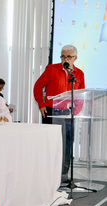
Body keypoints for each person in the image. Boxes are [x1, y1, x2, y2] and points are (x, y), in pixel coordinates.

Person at [33, 44, 85, 183]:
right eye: (63, 56)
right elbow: (38, 87)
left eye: (68, 56)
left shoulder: (79, 74)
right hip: (51, 113)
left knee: (67, 144)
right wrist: (41, 104)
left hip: (68, 114)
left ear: (75, 58)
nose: (65, 59)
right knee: (51, 144)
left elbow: (81, 95)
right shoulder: (51, 69)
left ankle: (63, 175)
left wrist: (76, 110)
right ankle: (48, 174)